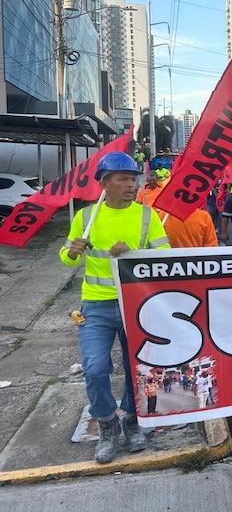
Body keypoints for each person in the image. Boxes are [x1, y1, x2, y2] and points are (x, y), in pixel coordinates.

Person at [59, 151, 170, 464]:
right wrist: (73, 251)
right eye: (123, 178)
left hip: (137, 304)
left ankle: (132, 420)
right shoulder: (85, 217)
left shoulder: (146, 217)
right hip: (95, 305)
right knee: (94, 369)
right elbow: (67, 257)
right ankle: (108, 423)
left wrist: (133, 253)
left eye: (133, 178)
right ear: (105, 183)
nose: (131, 184)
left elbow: (166, 259)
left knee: (137, 369)